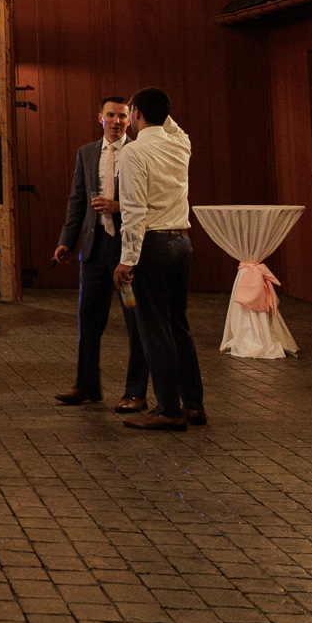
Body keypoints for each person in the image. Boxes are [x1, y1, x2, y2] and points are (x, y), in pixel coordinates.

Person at [113, 87, 206, 431]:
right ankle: (193, 404)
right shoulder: (180, 144)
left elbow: (134, 211)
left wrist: (126, 259)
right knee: (178, 324)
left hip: (151, 246)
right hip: (182, 241)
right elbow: (172, 124)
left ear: (135, 112)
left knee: (154, 328)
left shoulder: (134, 152)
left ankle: (168, 408)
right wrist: (156, 106)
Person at [52, 97, 149, 411]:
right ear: (100, 117)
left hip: (127, 254)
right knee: (89, 319)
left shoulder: (138, 151)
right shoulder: (87, 152)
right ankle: (87, 386)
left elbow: (149, 200)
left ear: (129, 119)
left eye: (122, 115)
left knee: (135, 320)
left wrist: (119, 207)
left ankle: (135, 392)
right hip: (94, 252)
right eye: (111, 115)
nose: (117, 121)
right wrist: (66, 241)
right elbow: (77, 201)